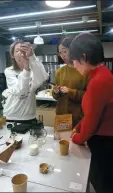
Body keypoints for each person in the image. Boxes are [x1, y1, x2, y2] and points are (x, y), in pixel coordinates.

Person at [70, 33, 113, 193]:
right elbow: (94, 111)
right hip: (104, 140)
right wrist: (79, 126)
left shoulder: (99, 81)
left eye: (74, 60)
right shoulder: (102, 75)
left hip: (104, 143)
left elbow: (92, 121)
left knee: (104, 185)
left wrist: (76, 137)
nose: (74, 66)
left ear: (84, 56)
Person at [3, 40, 49, 123]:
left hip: (29, 115)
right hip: (12, 115)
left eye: (23, 50)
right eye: (17, 51)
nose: (21, 53)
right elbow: (20, 91)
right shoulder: (9, 71)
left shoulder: (33, 70)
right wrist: (26, 68)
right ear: (13, 55)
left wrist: (32, 56)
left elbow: (43, 77)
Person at [52, 37, 89, 127]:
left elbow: (89, 96)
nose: (62, 55)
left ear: (74, 50)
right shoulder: (60, 71)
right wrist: (56, 92)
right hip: (61, 117)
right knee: (61, 140)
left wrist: (71, 92)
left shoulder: (85, 70)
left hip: (78, 118)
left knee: (76, 141)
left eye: (65, 51)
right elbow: (55, 96)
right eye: (60, 52)